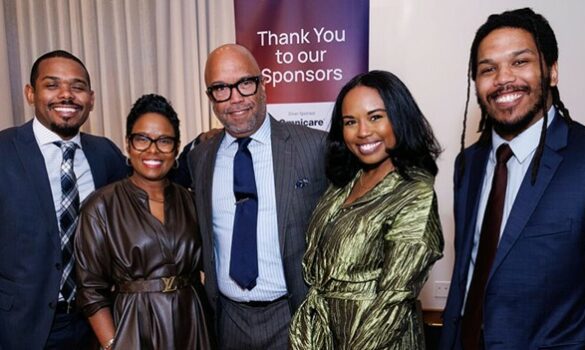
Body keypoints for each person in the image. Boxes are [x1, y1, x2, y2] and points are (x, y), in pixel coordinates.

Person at [440, 8, 585, 350]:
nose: (502, 79)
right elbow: (466, 281)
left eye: (519, 62)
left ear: (552, 71)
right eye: (488, 69)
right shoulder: (467, 165)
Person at [288, 70, 444, 349]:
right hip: (327, 334)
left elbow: (392, 303)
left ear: (399, 118)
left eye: (375, 117)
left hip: (377, 340)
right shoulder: (344, 183)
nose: (362, 132)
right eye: (350, 121)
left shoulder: (414, 193)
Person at [187, 43, 327, 349]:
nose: (235, 98)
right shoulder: (200, 159)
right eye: (221, 88)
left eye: (244, 84)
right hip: (228, 321)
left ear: (262, 84)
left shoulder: (315, 148)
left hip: (293, 316)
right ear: (210, 97)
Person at [0, 50, 127, 349]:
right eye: (52, 85)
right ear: (31, 93)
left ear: (91, 98)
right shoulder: (4, 151)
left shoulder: (105, 154)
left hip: (91, 323)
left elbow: (147, 187)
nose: (66, 95)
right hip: (18, 327)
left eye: (78, 87)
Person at [74, 94, 214, 350]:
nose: (153, 150)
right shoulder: (101, 206)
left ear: (175, 147)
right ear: (128, 144)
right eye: (142, 139)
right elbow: (90, 290)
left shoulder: (191, 201)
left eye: (164, 141)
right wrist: (114, 344)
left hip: (192, 322)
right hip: (133, 327)